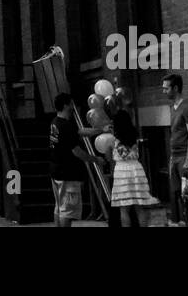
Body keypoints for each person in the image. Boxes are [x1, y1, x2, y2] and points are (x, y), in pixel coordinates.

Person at [49, 93, 103, 227]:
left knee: (59, 207)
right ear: (67, 105)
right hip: (68, 174)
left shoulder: (56, 123)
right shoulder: (65, 126)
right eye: (71, 103)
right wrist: (95, 159)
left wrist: (100, 130)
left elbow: (80, 131)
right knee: (67, 211)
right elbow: (77, 152)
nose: (73, 105)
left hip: (56, 172)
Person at [162, 73, 188, 227]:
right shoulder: (173, 107)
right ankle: (179, 222)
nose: (164, 91)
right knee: (175, 192)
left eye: (166, 88)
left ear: (175, 88)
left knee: (187, 193)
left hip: (184, 156)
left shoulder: (187, 107)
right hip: (174, 156)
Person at [109, 111, 158, 226]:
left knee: (124, 209)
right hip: (136, 168)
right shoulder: (134, 135)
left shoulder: (113, 139)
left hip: (121, 171)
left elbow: (110, 155)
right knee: (140, 207)